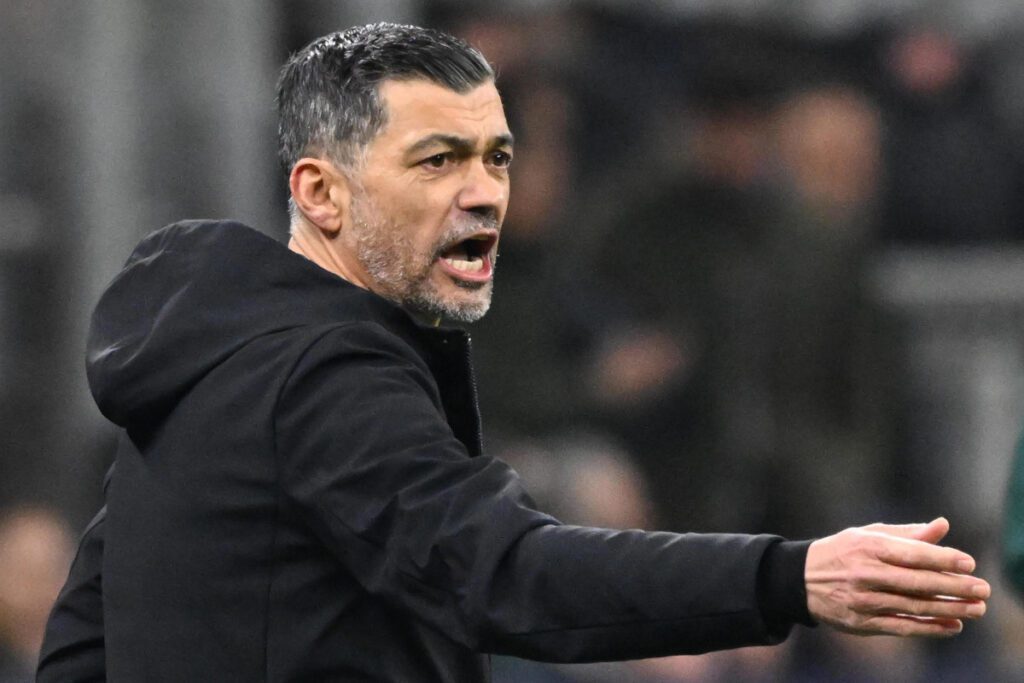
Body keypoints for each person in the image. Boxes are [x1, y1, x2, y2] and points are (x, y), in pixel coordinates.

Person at [38, 23, 989, 683]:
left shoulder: (215, 357)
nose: (487, 190)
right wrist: (791, 577)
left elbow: (87, 638)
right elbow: (510, 574)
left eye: (497, 156)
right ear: (320, 195)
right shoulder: (320, 373)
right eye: (437, 159)